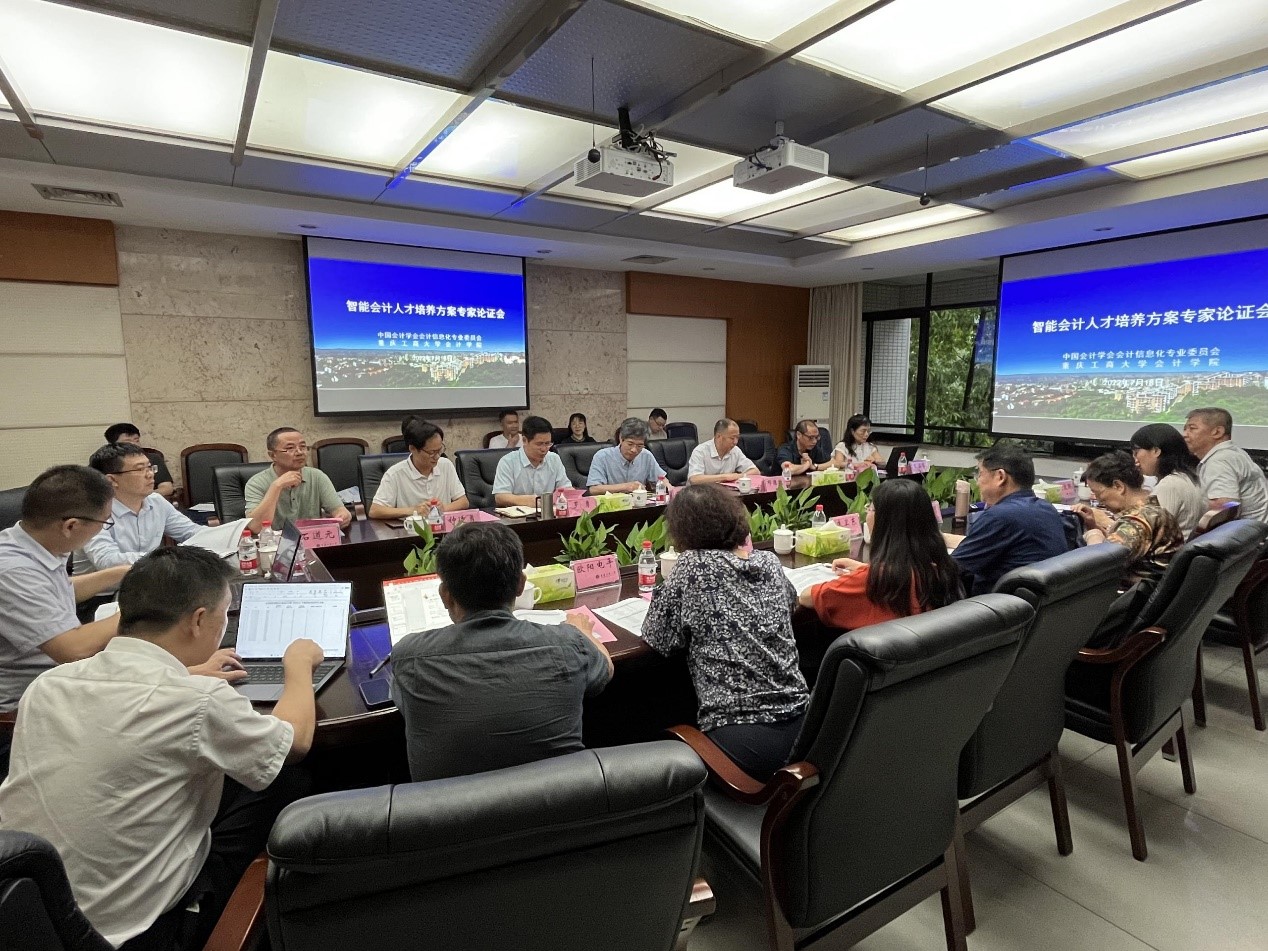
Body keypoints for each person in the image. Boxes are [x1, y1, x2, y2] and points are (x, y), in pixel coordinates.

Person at [0, 547, 321, 951]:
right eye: (224, 615)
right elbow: (294, 741)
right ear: (199, 620)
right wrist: (298, 664)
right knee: (288, 779)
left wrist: (184, 672)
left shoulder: (48, 686)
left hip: (28, 913)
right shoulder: (197, 701)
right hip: (139, 932)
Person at [391, 522, 612, 782]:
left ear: (445, 595)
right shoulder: (568, 644)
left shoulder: (409, 657)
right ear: (520, 584)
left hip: (450, 808)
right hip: (559, 804)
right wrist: (582, 631)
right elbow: (607, 668)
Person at [642, 485, 808, 779]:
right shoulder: (768, 561)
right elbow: (791, 602)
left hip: (743, 740)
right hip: (804, 729)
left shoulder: (693, 565)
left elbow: (658, 637)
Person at [0, 466, 132, 719]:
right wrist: (144, 607)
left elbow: (54, 592)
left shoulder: (31, 544)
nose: (103, 529)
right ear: (71, 526)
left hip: (61, 680)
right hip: (26, 705)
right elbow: (72, 648)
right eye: (105, 522)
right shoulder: (12, 570)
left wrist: (120, 573)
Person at [799, 479, 962, 629]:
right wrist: (864, 568)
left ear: (883, 520)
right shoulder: (943, 569)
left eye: (870, 508)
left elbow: (807, 597)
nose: (867, 513)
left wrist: (865, 573)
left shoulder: (875, 580)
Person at [945, 444, 1068, 595]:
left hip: (991, 605)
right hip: (1032, 603)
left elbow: (948, 570)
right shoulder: (1046, 509)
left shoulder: (1001, 516)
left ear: (1000, 477)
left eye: (980, 474)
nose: (977, 482)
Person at [83, 442, 204, 569]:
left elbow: (193, 532)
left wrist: (217, 535)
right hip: (110, 582)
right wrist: (168, 558)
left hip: (149, 578)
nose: (150, 474)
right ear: (112, 480)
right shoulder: (92, 511)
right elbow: (107, 561)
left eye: (150, 467)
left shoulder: (156, 502)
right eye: (140, 469)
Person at [1076, 450, 1183, 581]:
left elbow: (1098, 564)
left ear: (1118, 486)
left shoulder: (1137, 522)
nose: (1098, 500)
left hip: (1132, 591)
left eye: (1098, 493)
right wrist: (1094, 525)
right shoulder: (1154, 511)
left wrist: (1093, 534)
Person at [244, 427, 352, 529]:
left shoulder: (317, 476)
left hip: (312, 538)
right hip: (274, 541)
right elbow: (255, 527)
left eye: (303, 447)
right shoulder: (256, 483)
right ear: (273, 455)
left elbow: (338, 509)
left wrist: (343, 515)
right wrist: (276, 486)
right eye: (290, 448)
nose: (299, 452)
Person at [368, 419, 468, 519]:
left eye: (439, 450)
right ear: (413, 449)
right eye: (432, 452)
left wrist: (444, 508)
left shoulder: (446, 465)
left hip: (442, 527)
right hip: (410, 528)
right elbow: (375, 510)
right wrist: (413, 510)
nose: (437, 456)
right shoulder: (395, 474)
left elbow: (463, 501)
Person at [1182, 407, 1268, 522]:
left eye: (1192, 428)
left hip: (1245, 532)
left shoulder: (1219, 461)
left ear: (1217, 432)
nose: (1185, 434)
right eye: (1185, 429)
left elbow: (1227, 507)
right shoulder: (1231, 454)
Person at [1130, 423, 1206, 536]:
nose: (1135, 460)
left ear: (1156, 451)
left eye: (1136, 453)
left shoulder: (1170, 485)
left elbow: (1145, 534)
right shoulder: (1189, 477)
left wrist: (1106, 521)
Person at [492, 415, 572, 506]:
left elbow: (566, 488)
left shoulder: (554, 459)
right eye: (539, 444)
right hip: (518, 514)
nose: (544, 449)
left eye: (547, 443)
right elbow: (500, 497)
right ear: (524, 440)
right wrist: (525, 501)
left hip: (549, 512)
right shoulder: (508, 462)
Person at [586, 418, 667, 494]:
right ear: (621, 439)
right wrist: (627, 487)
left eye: (639, 446)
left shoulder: (646, 455)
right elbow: (594, 489)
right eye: (630, 444)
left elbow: (661, 479)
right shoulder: (602, 456)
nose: (634, 450)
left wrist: (669, 487)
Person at [104, 423, 176, 500]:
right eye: (127, 442)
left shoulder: (153, 458)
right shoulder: (104, 462)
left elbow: (167, 488)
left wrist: (145, 497)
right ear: (112, 445)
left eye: (136, 440)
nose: (134, 444)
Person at [687, 418, 759, 485]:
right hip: (701, 492)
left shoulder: (735, 450)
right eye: (732, 438)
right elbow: (694, 479)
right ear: (719, 437)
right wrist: (725, 477)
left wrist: (738, 476)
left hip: (725, 492)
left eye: (737, 438)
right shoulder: (700, 451)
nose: (735, 442)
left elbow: (755, 471)